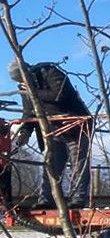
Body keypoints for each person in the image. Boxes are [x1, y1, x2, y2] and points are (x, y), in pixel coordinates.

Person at [8, 57, 92, 209]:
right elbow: (29, 112)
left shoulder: (49, 72)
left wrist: (33, 92)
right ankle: (47, 199)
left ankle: (77, 199)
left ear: (27, 72)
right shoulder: (24, 88)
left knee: (78, 163)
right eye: (18, 81)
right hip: (52, 130)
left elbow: (60, 94)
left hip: (75, 125)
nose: (22, 82)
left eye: (22, 78)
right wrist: (24, 133)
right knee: (51, 165)